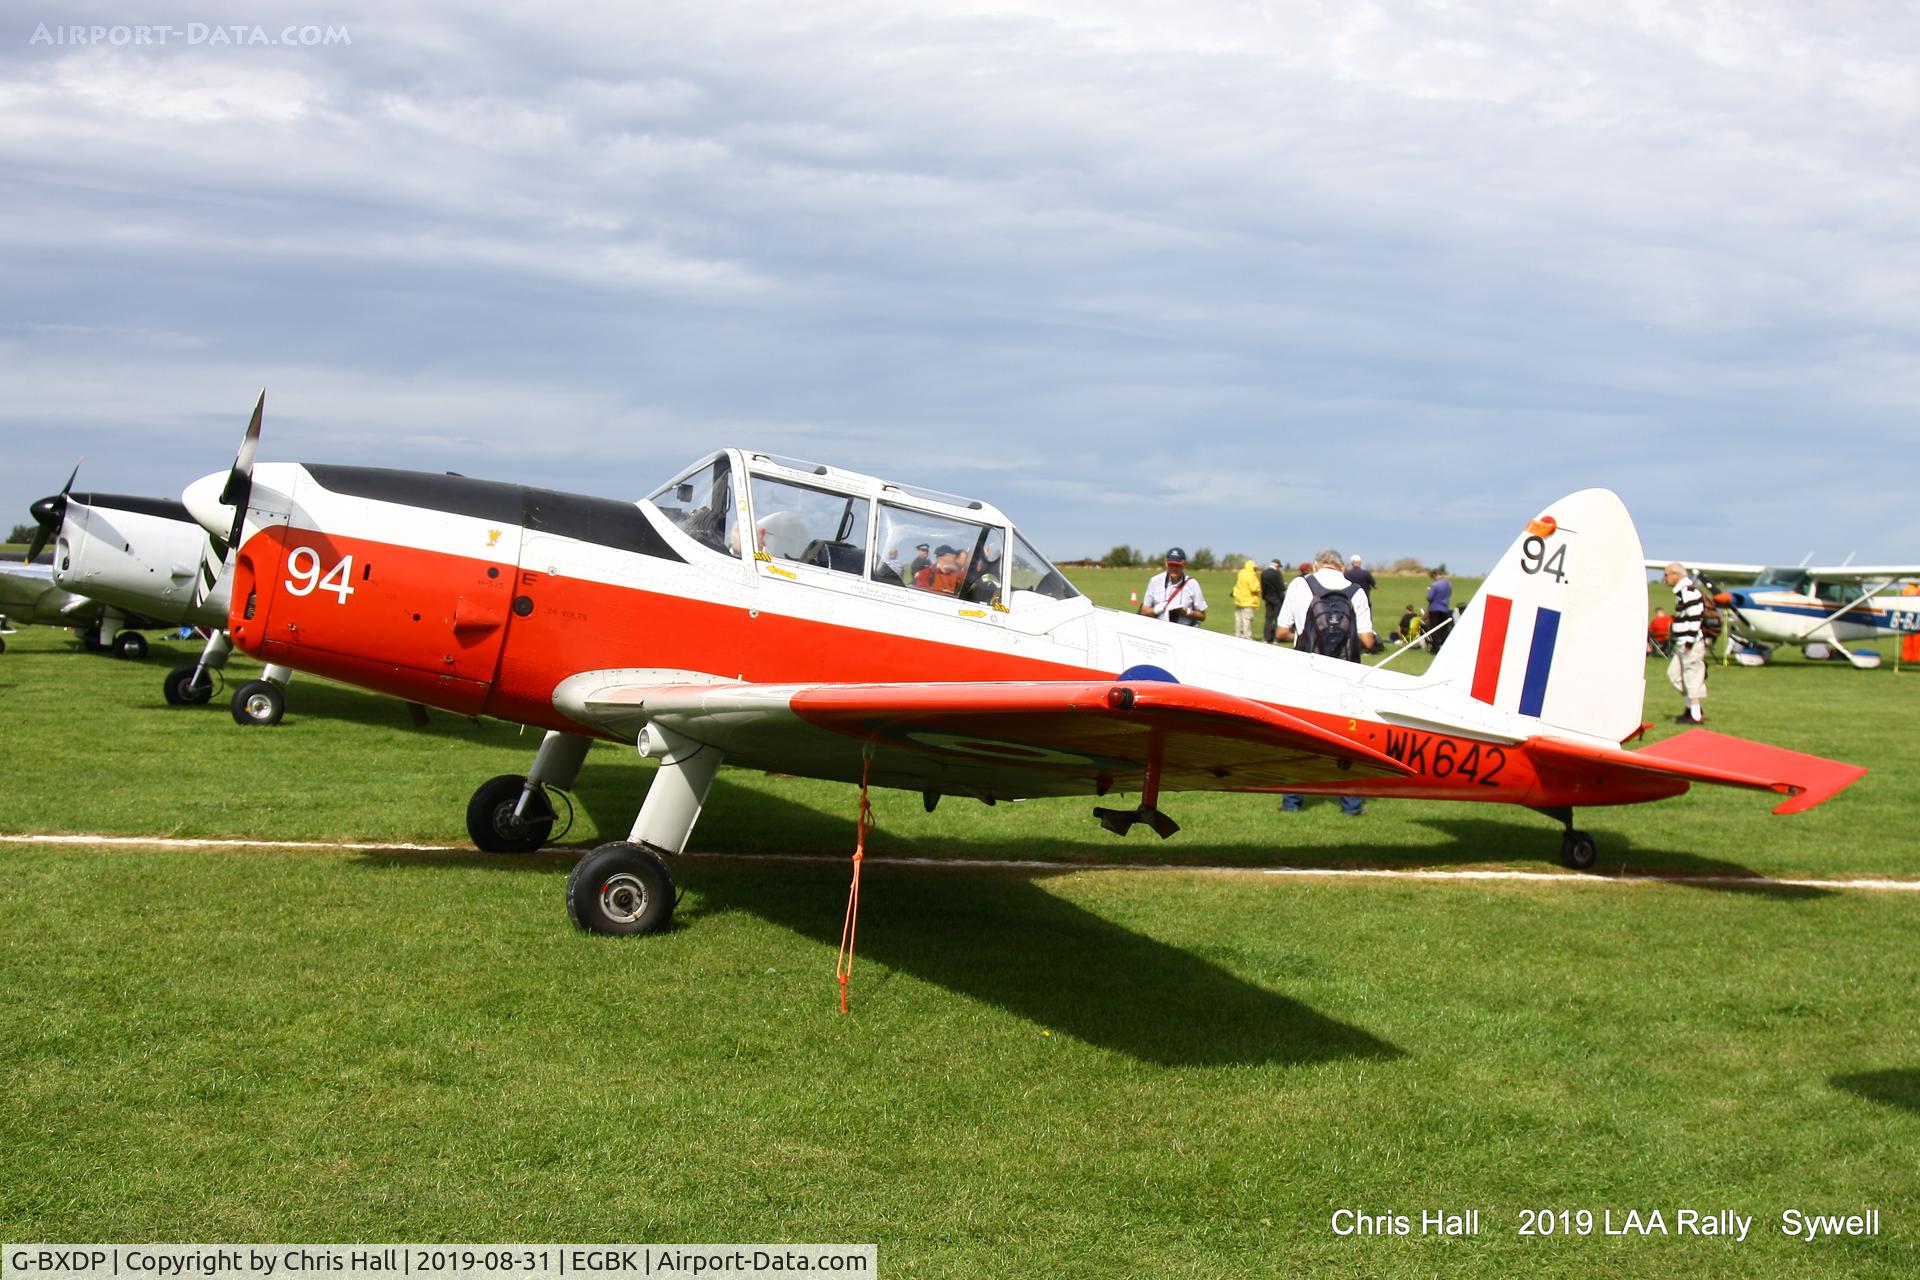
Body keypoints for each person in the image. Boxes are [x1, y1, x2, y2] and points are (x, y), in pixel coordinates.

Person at [1275, 548, 1375, 816]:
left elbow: (1281, 631)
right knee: (1346, 740)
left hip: (1305, 672)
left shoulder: (1300, 584)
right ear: (1342, 567)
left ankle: (1292, 802)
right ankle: (1351, 805)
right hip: (1345, 675)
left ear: (1317, 565)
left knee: (1300, 737)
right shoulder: (1356, 591)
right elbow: (1366, 640)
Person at [1663, 562, 1709, 723]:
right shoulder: (1682, 592)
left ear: (1677, 574)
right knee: (1674, 674)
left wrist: (1689, 641)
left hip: (1690, 643)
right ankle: (1692, 707)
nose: (1665, 579)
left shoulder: (1689, 592)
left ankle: (1695, 715)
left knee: (1692, 676)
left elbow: (1696, 618)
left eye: (1667, 575)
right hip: (1683, 643)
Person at [1141, 548, 1208, 625]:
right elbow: (1144, 611)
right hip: (1159, 630)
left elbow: (1202, 616)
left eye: (1177, 565)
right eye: (1171, 565)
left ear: (1184, 564)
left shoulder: (1192, 584)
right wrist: (1159, 608)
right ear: (1166, 563)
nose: (1174, 568)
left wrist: (1187, 612)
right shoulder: (1155, 581)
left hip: (1183, 631)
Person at [1424, 568, 1453, 655]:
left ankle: (1435, 648)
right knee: (1443, 628)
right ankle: (1443, 645)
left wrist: (1429, 591)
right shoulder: (1449, 583)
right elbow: (1450, 594)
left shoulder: (1435, 585)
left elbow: (1429, 597)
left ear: (1435, 575)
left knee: (1434, 629)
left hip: (1435, 608)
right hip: (1445, 608)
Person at [1231, 559, 1261, 639]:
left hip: (1239, 599)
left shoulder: (1241, 572)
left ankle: (1238, 634)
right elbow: (1254, 588)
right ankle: (1247, 635)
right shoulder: (1251, 575)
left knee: (1238, 618)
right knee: (1247, 619)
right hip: (1248, 600)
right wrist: (1259, 585)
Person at [1259, 558, 1287, 643]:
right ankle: (1275, 638)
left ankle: (1266, 638)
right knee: (1277, 618)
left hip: (1268, 597)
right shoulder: (1277, 573)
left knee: (1268, 619)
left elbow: (1262, 586)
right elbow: (1282, 587)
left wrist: (1264, 597)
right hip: (1277, 599)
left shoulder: (1264, 573)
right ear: (1277, 565)